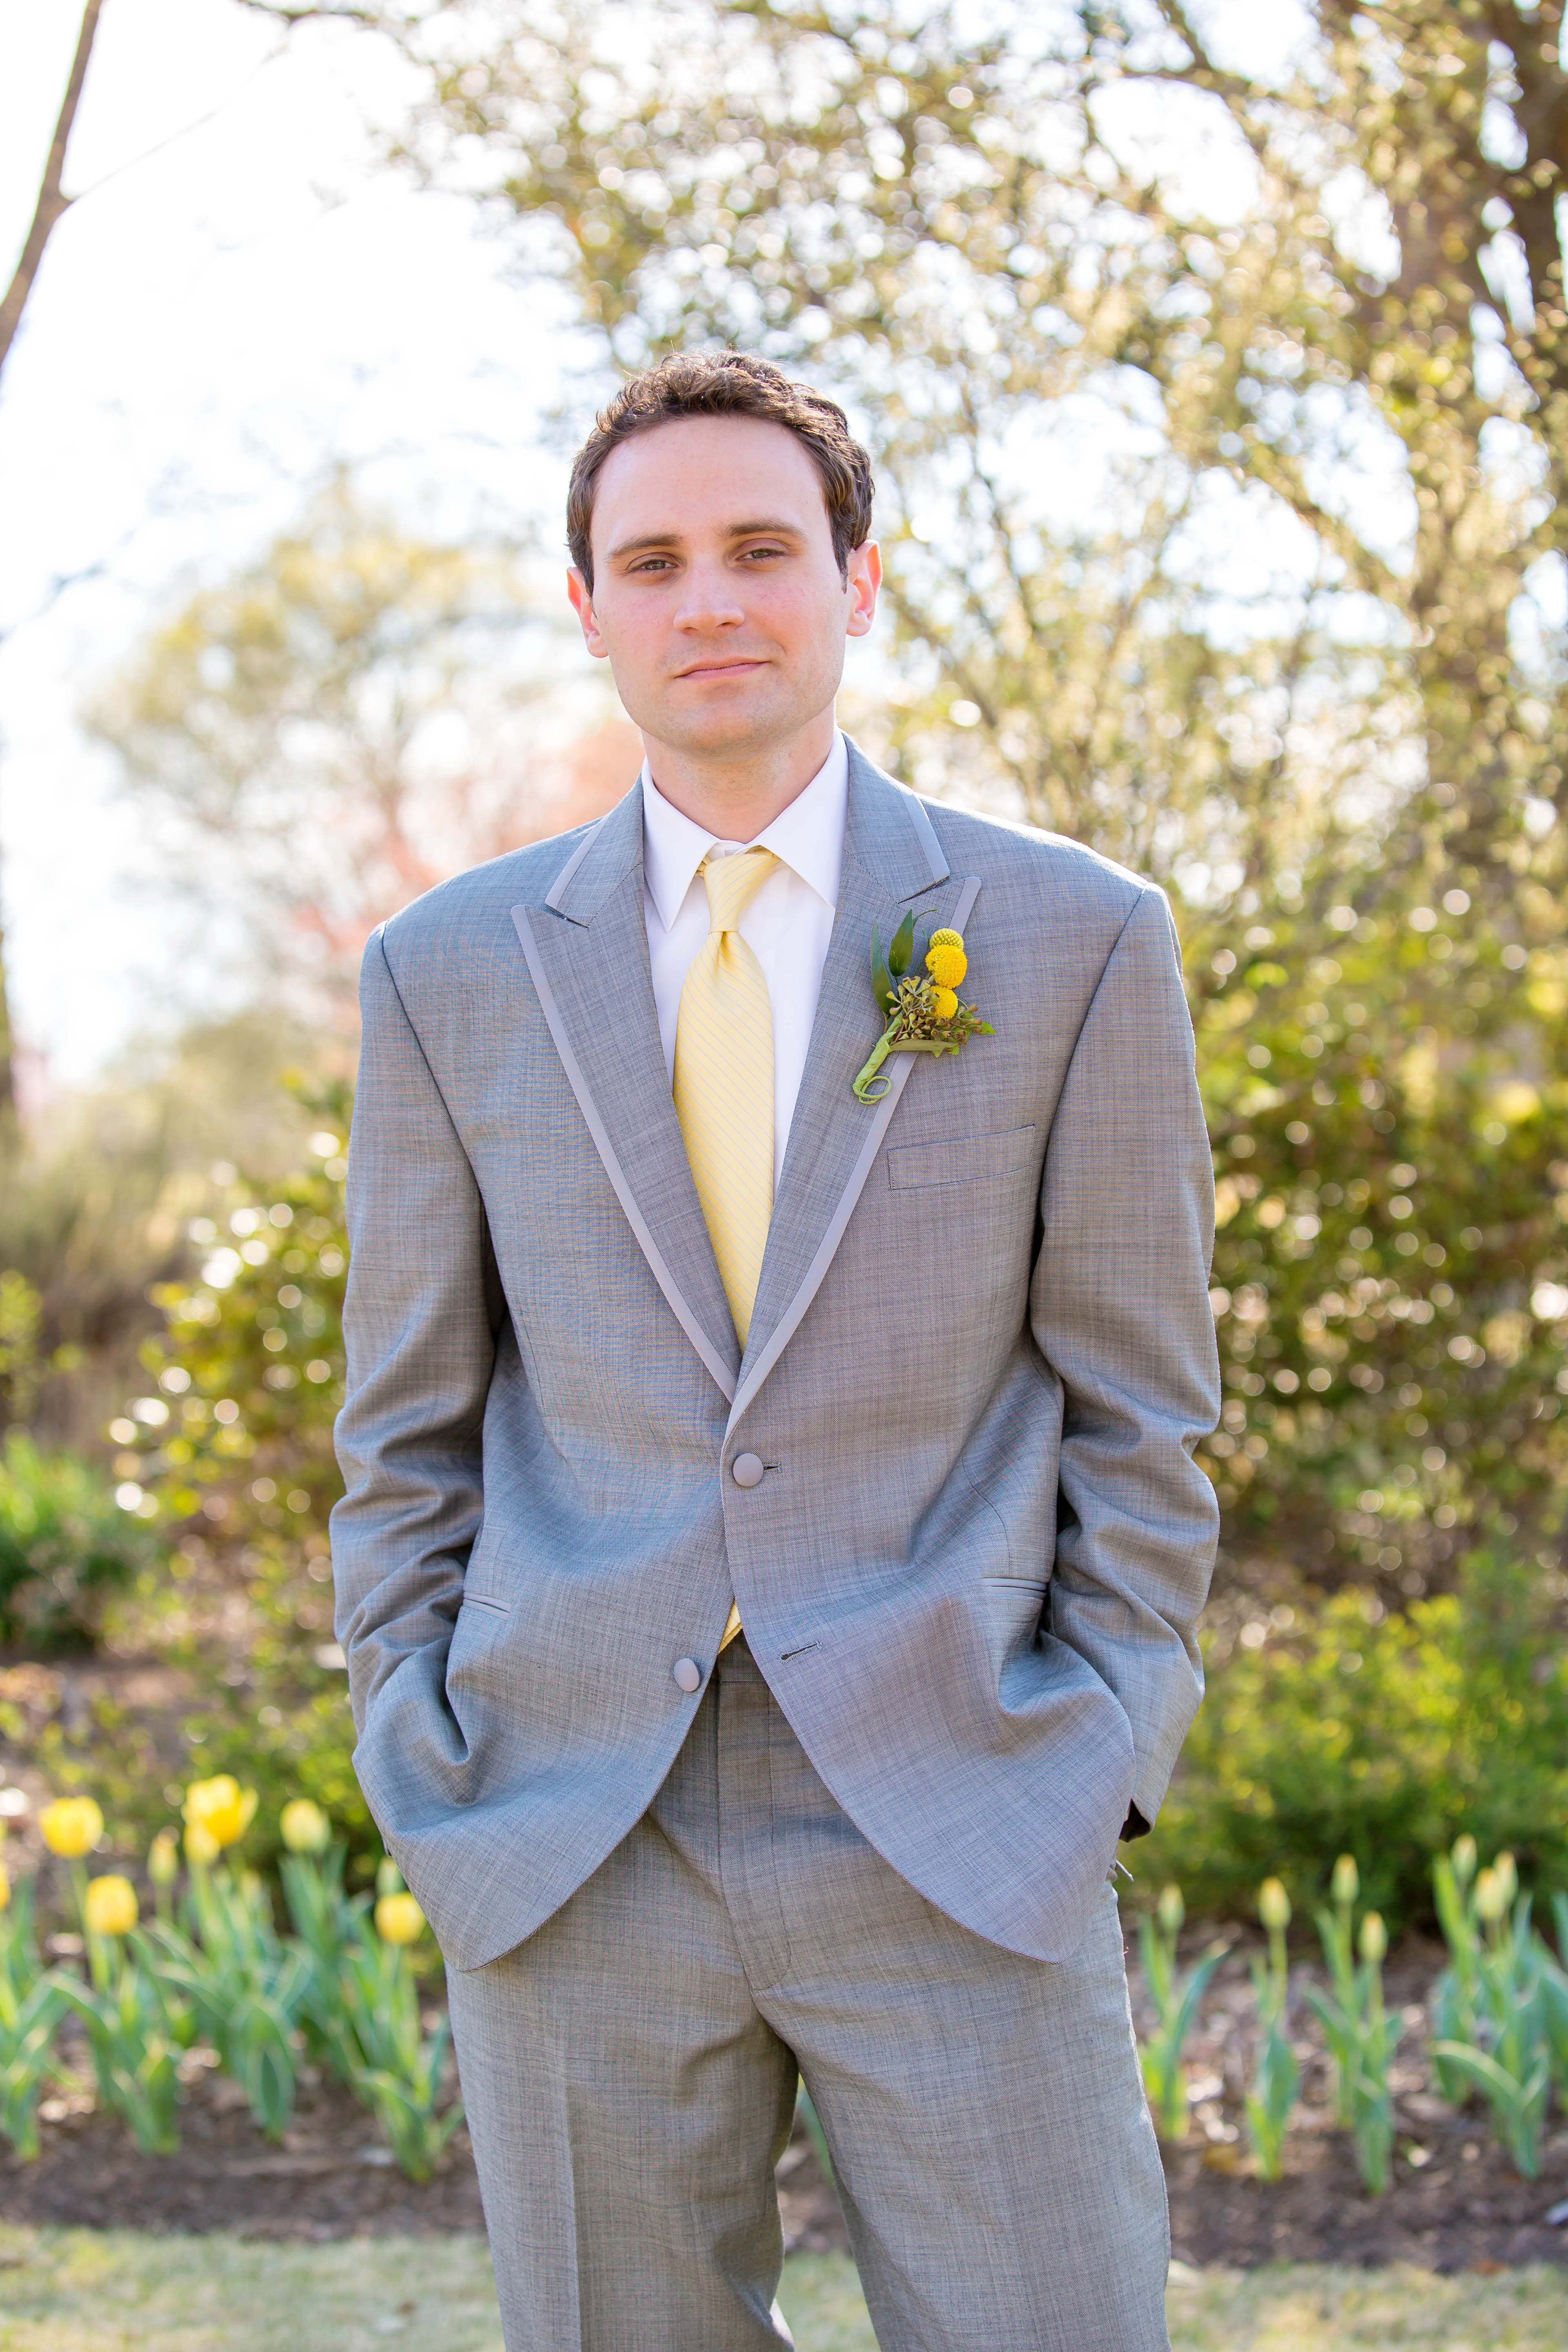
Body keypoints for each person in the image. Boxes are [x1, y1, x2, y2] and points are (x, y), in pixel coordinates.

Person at [332, 349, 1220, 2352]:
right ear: (589, 614)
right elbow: (407, 1426)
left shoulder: (1073, 938)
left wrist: (1098, 1743)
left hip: (964, 1797)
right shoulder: (448, 974)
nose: (708, 599)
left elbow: (1145, 1403)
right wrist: (420, 1728)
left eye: (759, 547)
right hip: (570, 1822)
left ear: (858, 580)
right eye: (651, 563)